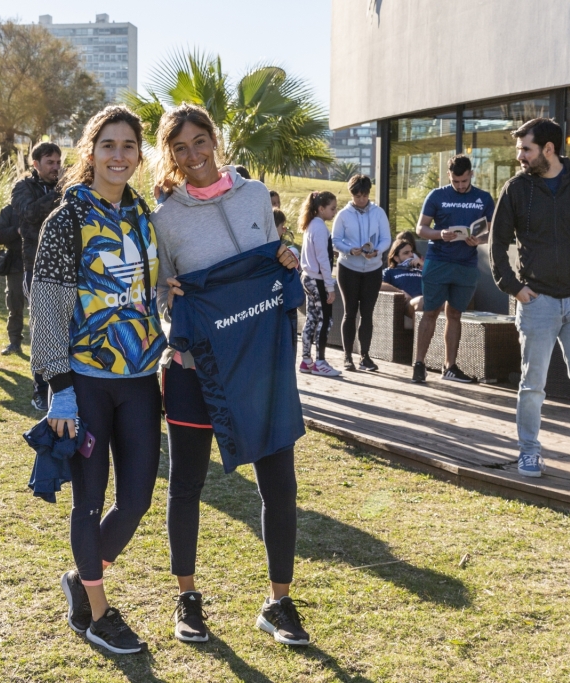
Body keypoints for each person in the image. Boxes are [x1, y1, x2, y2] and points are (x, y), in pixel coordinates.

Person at [151, 103, 308, 648]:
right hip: (198, 368)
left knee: (279, 487)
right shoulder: (163, 217)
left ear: (215, 141)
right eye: (180, 147)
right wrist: (164, 296)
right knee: (187, 485)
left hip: (260, 367)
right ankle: (187, 598)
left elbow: (276, 256)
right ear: (169, 154)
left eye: (200, 142)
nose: (192, 155)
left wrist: (288, 259)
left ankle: (279, 603)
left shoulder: (253, 195)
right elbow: (159, 291)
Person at [30, 106, 167, 655]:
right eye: (108, 145)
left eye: (128, 146)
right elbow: (47, 311)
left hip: (140, 378)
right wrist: (58, 389)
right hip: (84, 381)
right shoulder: (65, 220)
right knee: (89, 500)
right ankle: (97, 610)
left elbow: (150, 286)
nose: (118, 155)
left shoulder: (143, 216)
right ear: (91, 152)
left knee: (135, 500)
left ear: (139, 154)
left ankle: (81, 578)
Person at [490, 117, 570, 483]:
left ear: (548, 149)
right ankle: (529, 453)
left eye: (525, 149)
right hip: (538, 302)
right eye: (520, 149)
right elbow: (496, 244)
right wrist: (514, 288)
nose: (520, 156)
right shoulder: (515, 189)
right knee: (532, 384)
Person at [411, 155, 494, 384]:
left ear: (471, 175)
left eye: (464, 181)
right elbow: (421, 228)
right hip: (438, 261)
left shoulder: (483, 198)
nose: (460, 185)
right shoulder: (437, 195)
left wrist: (479, 240)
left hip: (466, 264)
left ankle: (450, 367)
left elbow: (493, 232)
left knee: (455, 314)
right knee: (430, 311)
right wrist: (440, 234)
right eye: (456, 181)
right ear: (449, 176)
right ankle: (419, 364)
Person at [14, 141, 62, 408]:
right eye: (50, 163)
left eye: (58, 162)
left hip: (66, 266)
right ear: (36, 164)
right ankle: (40, 388)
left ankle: (64, 385)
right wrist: (58, 192)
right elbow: (29, 213)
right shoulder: (23, 188)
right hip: (36, 267)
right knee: (42, 329)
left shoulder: (67, 186)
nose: (56, 167)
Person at [331, 174, 391, 372]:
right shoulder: (343, 215)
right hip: (349, 268)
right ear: (352, 194)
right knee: (350, 312)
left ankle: (365, 356)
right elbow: (335, 240)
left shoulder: (378, 213)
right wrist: (350, 249)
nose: (361, 200)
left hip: (372, 268)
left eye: (364, 196)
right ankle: (348, 356)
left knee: (367, 313)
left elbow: (385, 238)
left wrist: (377, 251)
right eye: (357, 196)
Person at [299, 191, 340, 377]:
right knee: (325, 319)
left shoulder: (310, 225)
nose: (334, 212)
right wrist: (330, 287)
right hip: (318, 279)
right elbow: (323, 259)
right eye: (332, 209)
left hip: (307, 276)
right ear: (321, 208)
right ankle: (320, 361)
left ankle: (306, 360)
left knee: (312, 318)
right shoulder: (320, 227)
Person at [0, 203, 25, 355]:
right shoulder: (9, 209)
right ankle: (14, 342)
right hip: (16, 262)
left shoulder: (42, 205)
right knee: (15, 304)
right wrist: (17, 231)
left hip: (42, 262)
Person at [381, 237, 424, 322]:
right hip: (407, 304)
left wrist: (423, 264)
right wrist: (400, 292)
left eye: (411, 252)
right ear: (396, 258)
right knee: (422, 302)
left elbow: (439, 278)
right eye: (406, 253)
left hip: (427, 300)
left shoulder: (419, 271)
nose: (411, 255)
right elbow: (378, 285)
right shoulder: (390, 271)